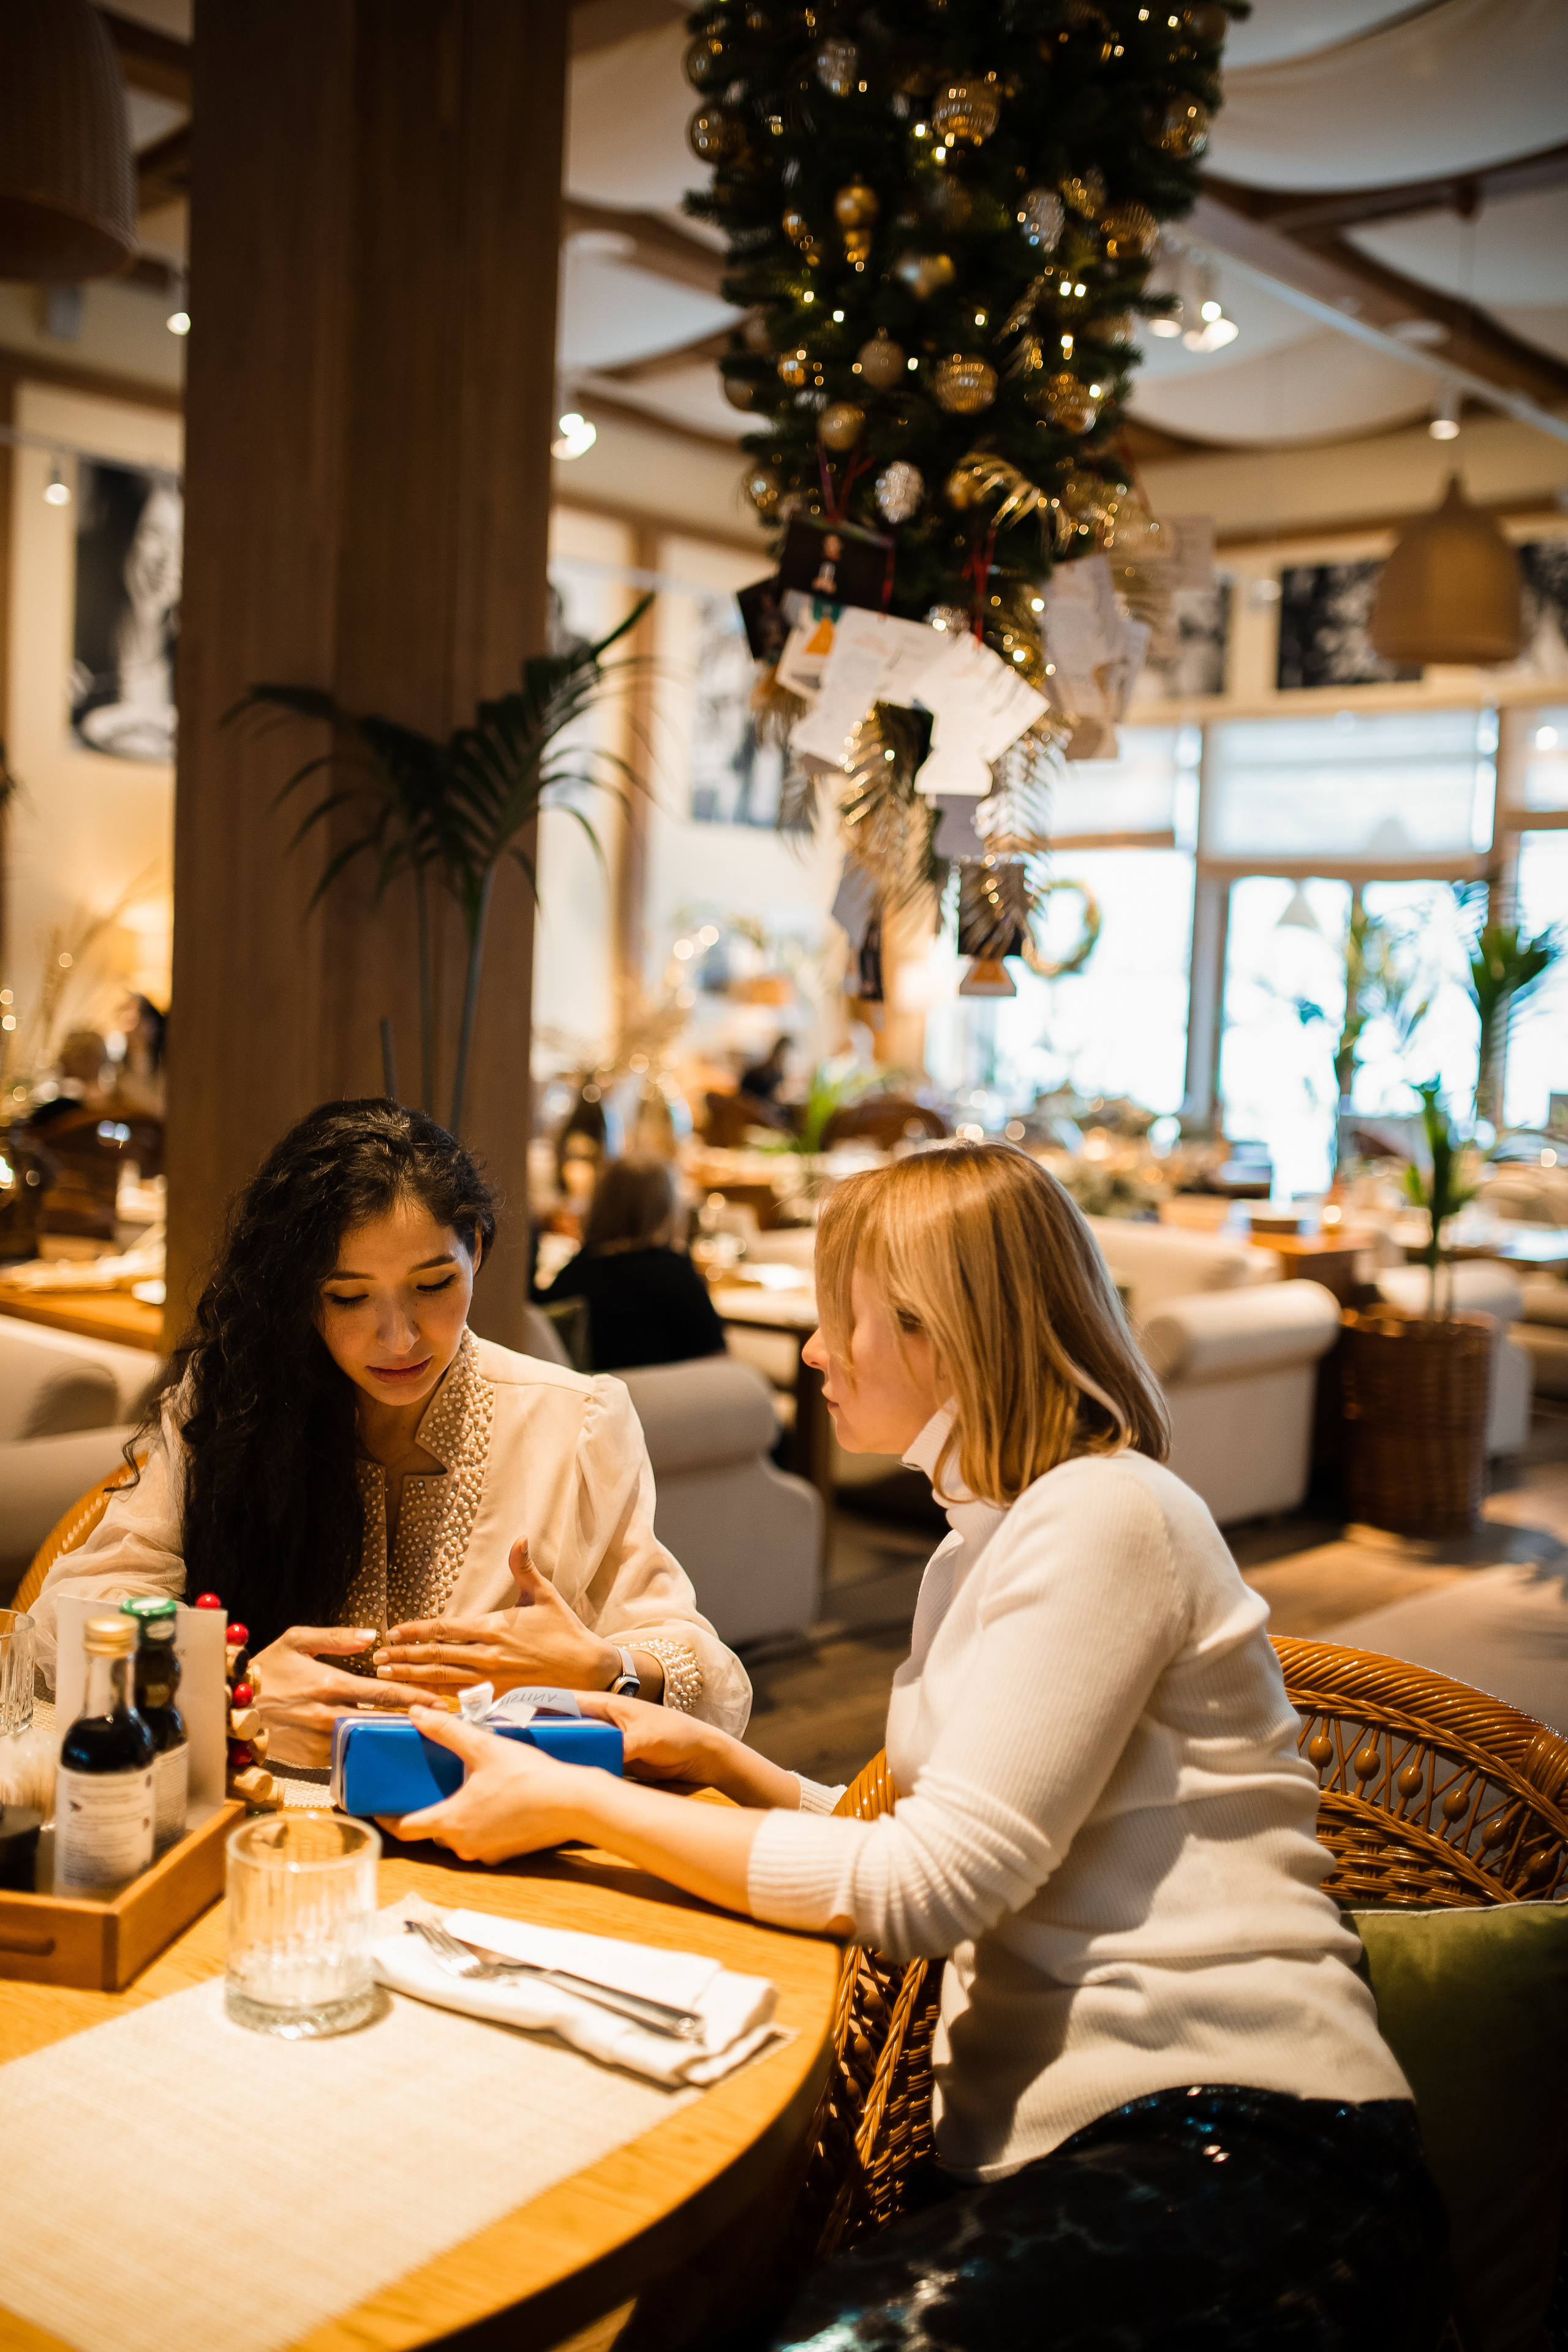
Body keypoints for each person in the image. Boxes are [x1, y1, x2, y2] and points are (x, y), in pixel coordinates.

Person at [388, 1142, 1444, 2350]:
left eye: (837, 1316)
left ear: (935, 1328)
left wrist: (579, 1806)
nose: (811, 1351)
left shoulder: (1105, 1515)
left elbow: (931, 1889)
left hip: (1246, 2153)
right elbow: (977, 1831)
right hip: (1085, 2149)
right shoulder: (984, 1540)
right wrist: (741, 1771)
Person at [31, 1099, 750, 1769]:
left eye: (433, 1285)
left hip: (495, 1834)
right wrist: (225, 1687)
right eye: (347, 1298)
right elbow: (65, 1624)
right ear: (297, 1291)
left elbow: (709, 1681)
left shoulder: (576, 1422)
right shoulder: (233, 1408)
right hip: (269, 1828)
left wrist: (607, 1667)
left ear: (475, 1247)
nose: (399, 1338)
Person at [537, 1156, 726, 1374]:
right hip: (663, 1404)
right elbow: (719, 1365)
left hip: (591, 1401)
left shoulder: (574, 1272)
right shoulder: (673, 1275)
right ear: (668, 1208)